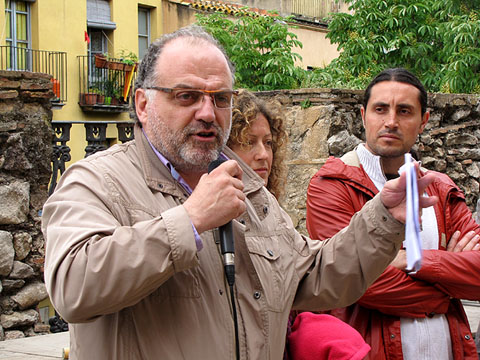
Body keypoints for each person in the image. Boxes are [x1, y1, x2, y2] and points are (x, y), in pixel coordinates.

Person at [42, 27, 437, 359]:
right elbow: (73, 288)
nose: (208, 113)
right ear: (143, 104)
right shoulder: (96, 181)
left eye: (221, 99)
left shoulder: (245, 184)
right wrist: (191, 220)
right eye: (187, 96)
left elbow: (309, 278)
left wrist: (382, 220)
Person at [306, 68, 480, 359]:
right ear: (363, 116)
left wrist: (413, 261)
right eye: (380, 109)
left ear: (423, 121)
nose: (391, 122)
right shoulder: (332, 186)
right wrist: (449, 285)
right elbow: (358, 284)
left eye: (404, 111)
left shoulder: (440, 187)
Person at [228, 90, 371, 359]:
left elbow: (311, 273)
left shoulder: (270, 209)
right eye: (249, 142)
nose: (263, 154)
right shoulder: (217, 216)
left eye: (268, 143)